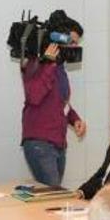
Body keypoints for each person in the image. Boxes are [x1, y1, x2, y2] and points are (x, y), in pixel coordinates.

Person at [20, 35, 87, 186]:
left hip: (58, 142)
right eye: (72, 42)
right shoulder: (35, 64)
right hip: (40, 142)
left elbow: (60, 103)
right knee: (53, 196)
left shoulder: (60, 68)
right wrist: (49, 63)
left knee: (53, 196)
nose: (75, 46)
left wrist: (74, 119)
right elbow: (34, 96)